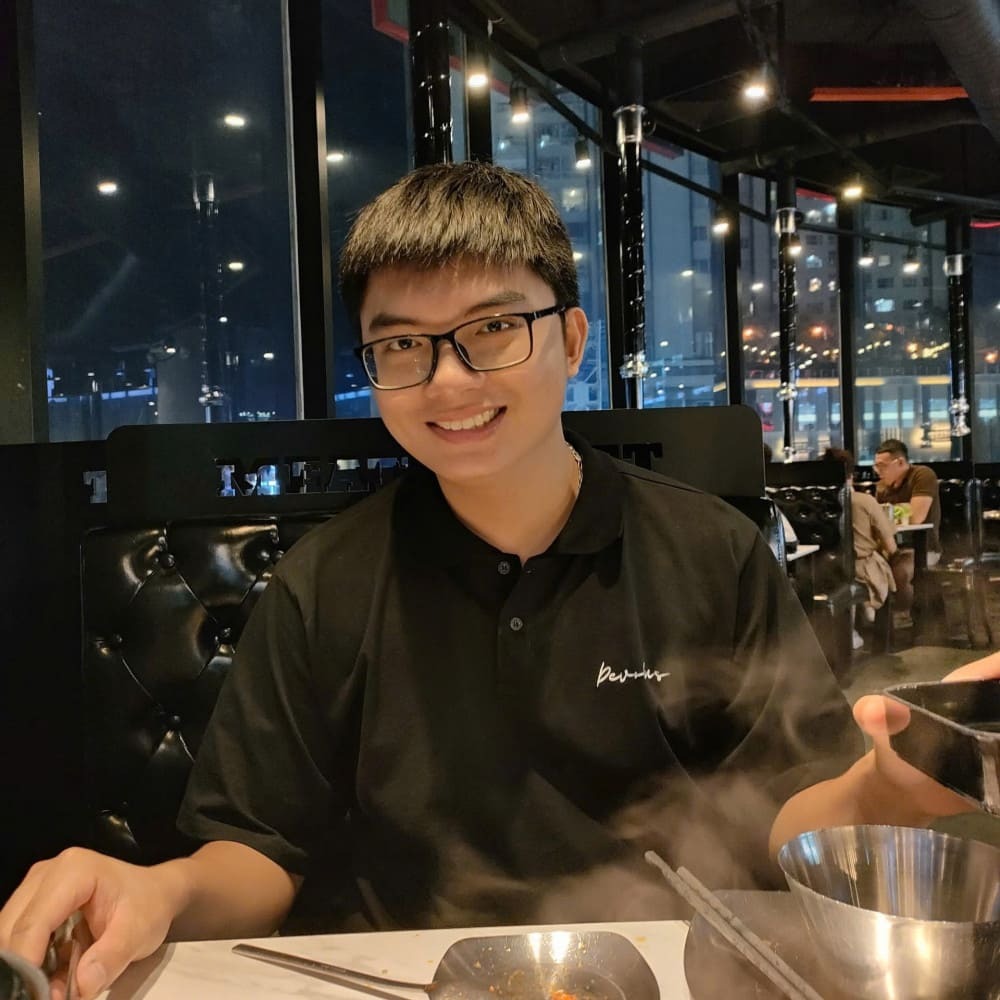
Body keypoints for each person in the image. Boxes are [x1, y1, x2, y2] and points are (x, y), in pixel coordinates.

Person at [1, 163, 996, 1000]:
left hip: (672, 970)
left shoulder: (708, 548)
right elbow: (259, 851)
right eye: (402, 345)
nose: (448, 380)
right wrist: (162, 891)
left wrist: (892, 781)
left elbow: (786, 810)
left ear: (572, 339)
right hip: (399, 974)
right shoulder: (324, 581)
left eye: (491, 329)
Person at [824, 448, 912, 645]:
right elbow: (890, 544)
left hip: (823, 569)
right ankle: (882, 638)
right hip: (859, 568)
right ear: (850, 475)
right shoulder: (864, 501)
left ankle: (859, 620)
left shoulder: (819, 503)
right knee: (890, 568)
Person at [873, 438, 942, 567]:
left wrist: (887, 514)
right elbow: (877, 521)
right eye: (876, 467)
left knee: (900, 569)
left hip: (922, 550)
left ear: (900, 462)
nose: (878, 471)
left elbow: (916, 518)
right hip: (891, 549)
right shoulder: (881, 486)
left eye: (882, 466)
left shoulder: (922, 475)